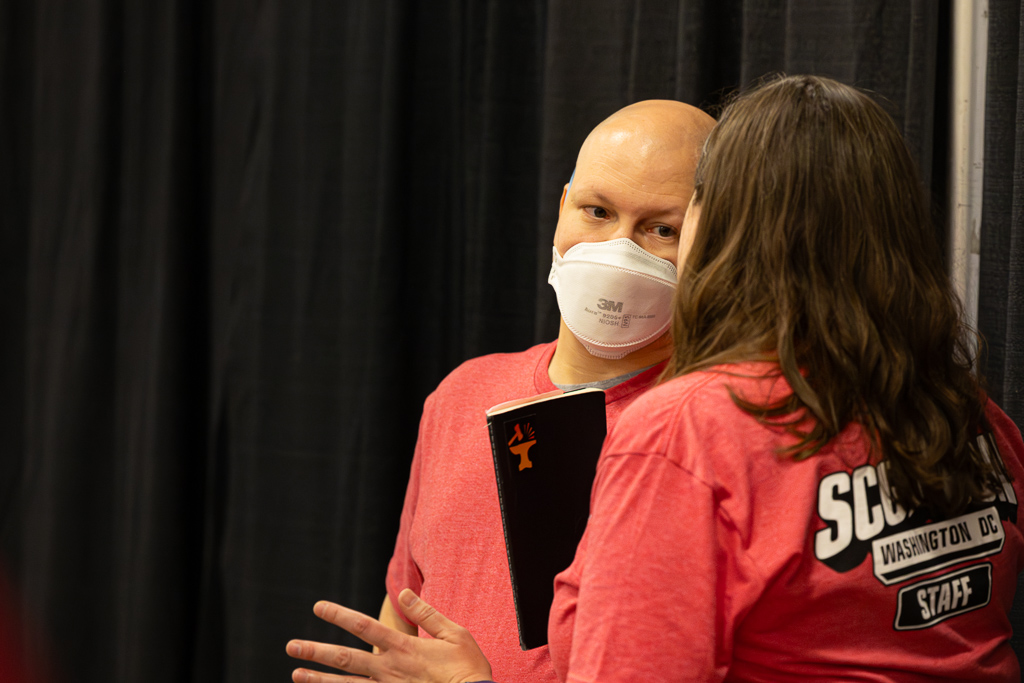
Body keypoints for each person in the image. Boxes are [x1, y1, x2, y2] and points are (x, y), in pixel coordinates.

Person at [287, 75, 1024, 682]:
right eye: (598, 210)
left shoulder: (688, 432)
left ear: (728, 229)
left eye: (671, 221)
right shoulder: (980, 425)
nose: (619, 250)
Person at [299, 99, 715, 683]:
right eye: (597, 212)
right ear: (561, 210)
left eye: (660, 228)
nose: (618, 250)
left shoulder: (708, 430)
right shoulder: (463, 395)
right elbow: (406, 607)